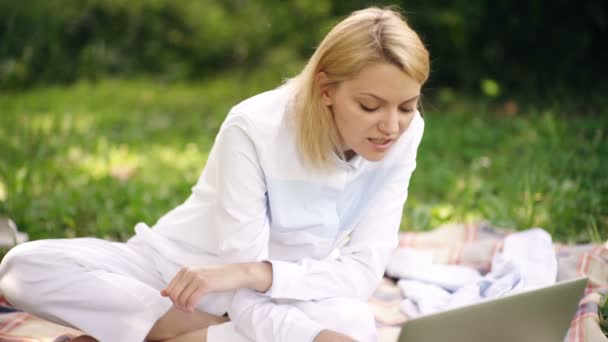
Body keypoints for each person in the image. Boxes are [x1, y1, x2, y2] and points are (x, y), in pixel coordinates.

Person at [0, 6, 429, 342]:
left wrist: (257, 275)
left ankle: (137, 335)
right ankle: (181, 334)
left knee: (352, 321)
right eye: (370, 106)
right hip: (170, 273)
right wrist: (271, 315)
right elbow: (236, 270)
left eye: (407, 107)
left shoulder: (404, 138)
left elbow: (362, 271)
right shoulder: (255, 126)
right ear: (325, 90)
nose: (391, 126)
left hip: (280, 289)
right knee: (25, 267)